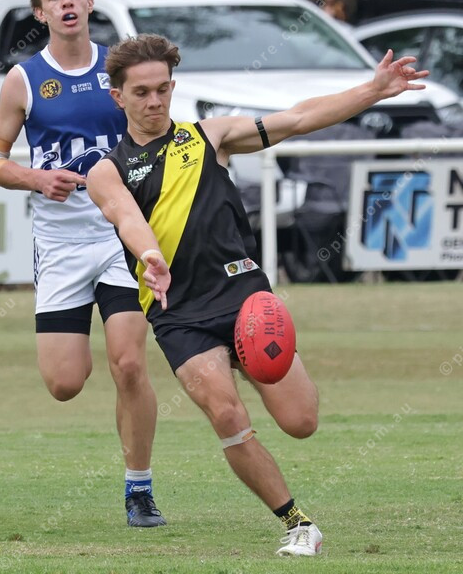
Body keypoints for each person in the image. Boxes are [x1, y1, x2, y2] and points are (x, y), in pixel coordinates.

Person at [86, 34, 429, 555]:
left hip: (245, 299)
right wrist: (150, 255)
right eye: (141, 93)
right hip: (180, 313)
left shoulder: (210, 136)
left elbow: (298, 119)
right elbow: (126, 216)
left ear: (173, 86)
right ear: (118, 97)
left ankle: (251, 368)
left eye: (162, 89)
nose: (154, 101)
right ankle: (298, 524)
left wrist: (373, 90)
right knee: (227, 415)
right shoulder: (106, 171)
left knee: (301, 422)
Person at [0, 0, 165, 527]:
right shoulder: (24, 79)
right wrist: (35, 178)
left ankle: (139, 490)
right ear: (40, 12)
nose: (67, 3)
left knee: (128, 364)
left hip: (118, 234)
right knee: (64, 383)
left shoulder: (120, 70)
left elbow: (158, 129)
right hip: (60, 245)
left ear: (90, 2)